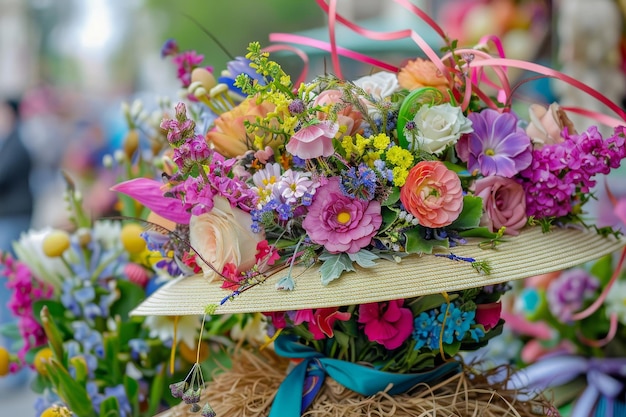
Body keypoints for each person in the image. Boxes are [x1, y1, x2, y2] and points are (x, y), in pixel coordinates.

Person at [0, 97, 34, 392]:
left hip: (12, 222)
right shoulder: (10, 142)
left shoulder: (15, 144)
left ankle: (16, 369)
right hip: (9, 220)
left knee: (8, 295)